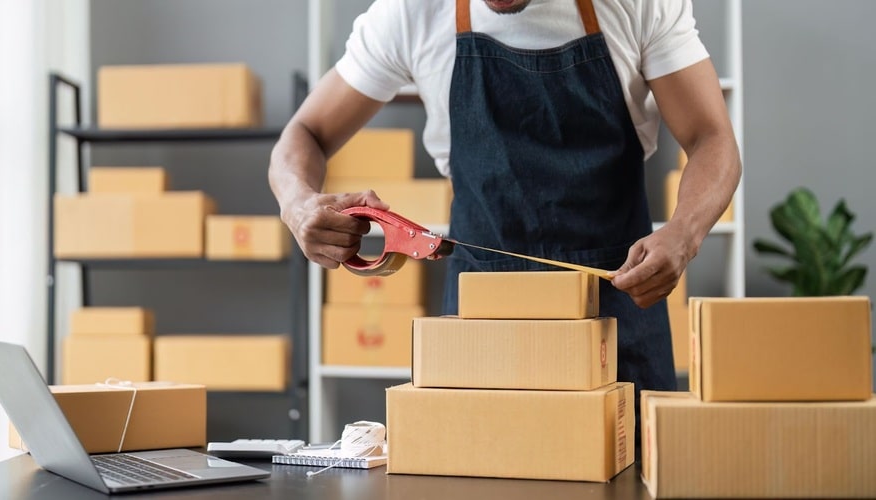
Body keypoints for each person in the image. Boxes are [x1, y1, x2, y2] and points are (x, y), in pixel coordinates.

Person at [269, 0, 741, 446]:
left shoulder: (636, 5)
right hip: (483, 314)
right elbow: (304, 133)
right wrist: (298, 204)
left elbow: (712, 137)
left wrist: (683, 234)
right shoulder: (409, 13)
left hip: (617, 310)